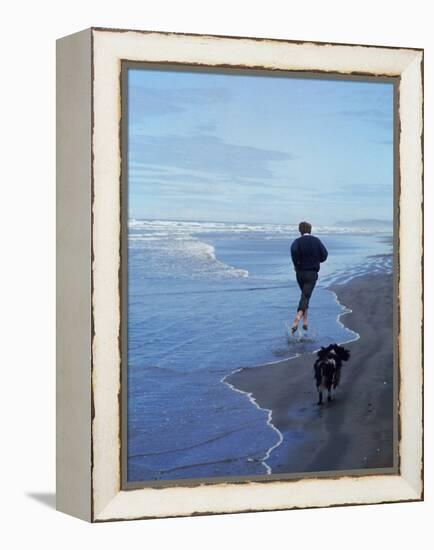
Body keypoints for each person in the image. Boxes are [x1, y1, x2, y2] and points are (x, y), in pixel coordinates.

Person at [290, 221, 328, 334]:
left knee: (305, 296)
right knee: (306, 296)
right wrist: (316, 259)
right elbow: (324, 255)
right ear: (310, 230)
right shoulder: (316, 241)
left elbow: (293, 251)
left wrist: (296, 264)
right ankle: (298, 317)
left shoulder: (297, 242)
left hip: (300, 273)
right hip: (311, 273)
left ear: (300, 231)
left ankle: (305, 321)